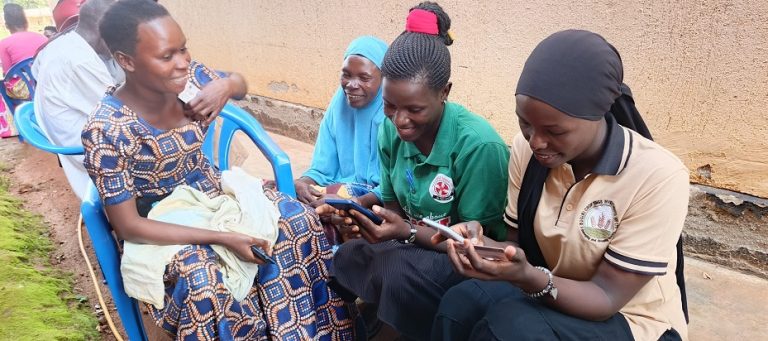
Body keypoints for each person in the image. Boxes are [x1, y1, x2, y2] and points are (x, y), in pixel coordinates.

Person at [83, 0, 354, 339]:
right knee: (204, 280)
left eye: (183, 49)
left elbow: (240, 83)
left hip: (212, 193)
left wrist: (225, 85)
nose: (183, 62)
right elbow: (129, 226)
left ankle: (304, 334)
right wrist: (221, 237)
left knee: (299, 222)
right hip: (159, 222)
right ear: (127, 61)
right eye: (166, 56)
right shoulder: (107, 130)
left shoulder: (190, 80)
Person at [432, 30, 689, 341]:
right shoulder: (527, 151)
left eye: (554, 131)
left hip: (631, 318)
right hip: (553, 285)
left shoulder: (657, 175)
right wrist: (479, 242)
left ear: (597, 115)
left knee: (510, 329)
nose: (536, 141)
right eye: (525, 123)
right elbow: (518, 249)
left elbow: (606, 297)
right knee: (460, 304)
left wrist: (530, 278)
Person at [323, 2, 510, 340]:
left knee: (394, 272)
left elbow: (477, 248)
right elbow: (393, 209)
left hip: (468, 262)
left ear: (444, 92)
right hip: (413, 245)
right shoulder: (390, 131)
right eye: (390, 105)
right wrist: (368, 217)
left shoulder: (478, 146)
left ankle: (392, 327)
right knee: (349, 255)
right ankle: (374, 321)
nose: (400, 120)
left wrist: (407, 233)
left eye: (414, 109)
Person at [294, 35, 387, 243]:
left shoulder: (393, 116)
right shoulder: (339, 107)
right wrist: (303, 183)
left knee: (308, 223)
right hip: (338, 193)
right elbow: (321, 169)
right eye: (346, 75)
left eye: (364, 78)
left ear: (383, 79)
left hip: (376, 201)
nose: (351, 85)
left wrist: (346, 202)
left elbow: (394, 189)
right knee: (279, 192)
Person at [32, 0, 124, 200]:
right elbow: (125, 117)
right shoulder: (80, 62)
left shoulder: (63, 45)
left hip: (82, 141)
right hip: (97, 157)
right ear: (104, 31)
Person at [0, 3, 47, 75]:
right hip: (47, 78)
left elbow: (8, 72)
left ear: (7, 26)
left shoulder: (3, 44)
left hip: (25, 81)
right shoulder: (43, 38)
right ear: (26, 23)